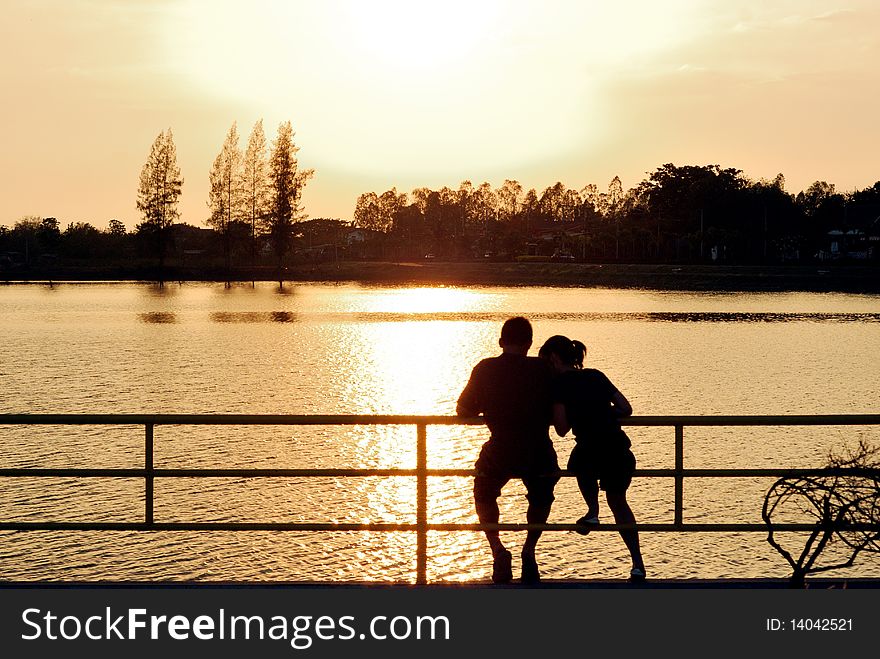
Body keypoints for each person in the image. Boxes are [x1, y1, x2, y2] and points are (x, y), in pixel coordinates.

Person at [457, 317, 559, 584]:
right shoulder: (544, 368)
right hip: (538, 449)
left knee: (483, 493)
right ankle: (529, 550)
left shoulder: (485, 369)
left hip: (500, 448)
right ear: (529, 343)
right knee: (542, 496)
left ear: (501, 342)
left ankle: (498, 550)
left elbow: (464, 410)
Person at [538, 335, 646, 582]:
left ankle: (592, 509)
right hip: (618, 448)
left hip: (589, 451)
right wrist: (603, 412)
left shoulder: (559, 385)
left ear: (553, 358)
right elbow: (626, 408)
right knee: (619, 502)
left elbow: (562, 428)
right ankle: (638, 563)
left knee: (576, 463)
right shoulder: (596, 375)